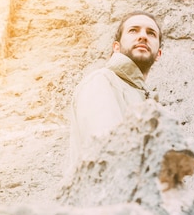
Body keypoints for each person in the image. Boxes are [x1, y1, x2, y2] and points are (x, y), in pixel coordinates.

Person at [69, 10, 163, 166]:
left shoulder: (146, 101)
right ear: (116, 47)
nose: (143, 36)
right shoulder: (101, 81)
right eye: (133, 30)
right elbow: (109, 156)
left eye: (151, 33)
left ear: (158, 53)